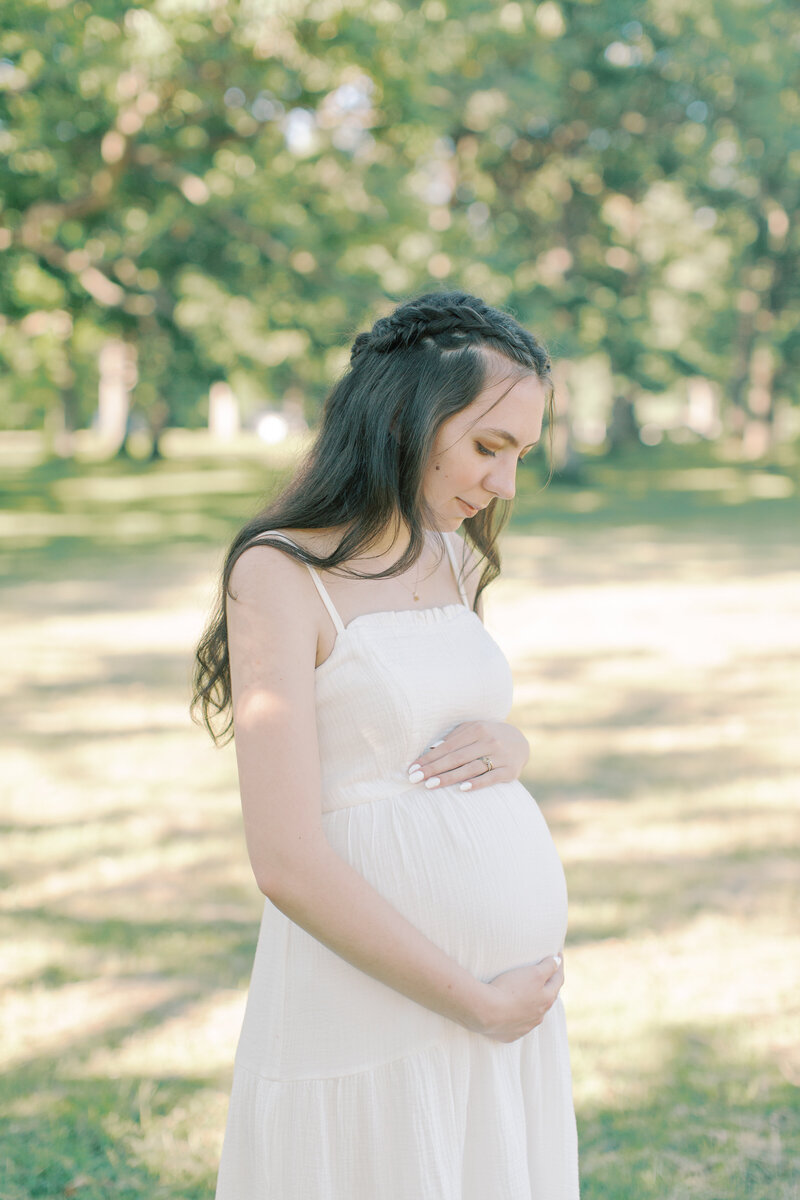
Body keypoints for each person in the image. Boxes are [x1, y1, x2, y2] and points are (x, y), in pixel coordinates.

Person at [192, 291, 580, 1199]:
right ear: (405, 416)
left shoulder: (455, 557)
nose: (506, 485)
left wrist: (511, 748)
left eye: (522, 454)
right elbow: (285, 860)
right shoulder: (280, 574)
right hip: (376, 1009)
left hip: (496, 1020)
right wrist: (477, 1002)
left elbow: (423, 716)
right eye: (489, 447)